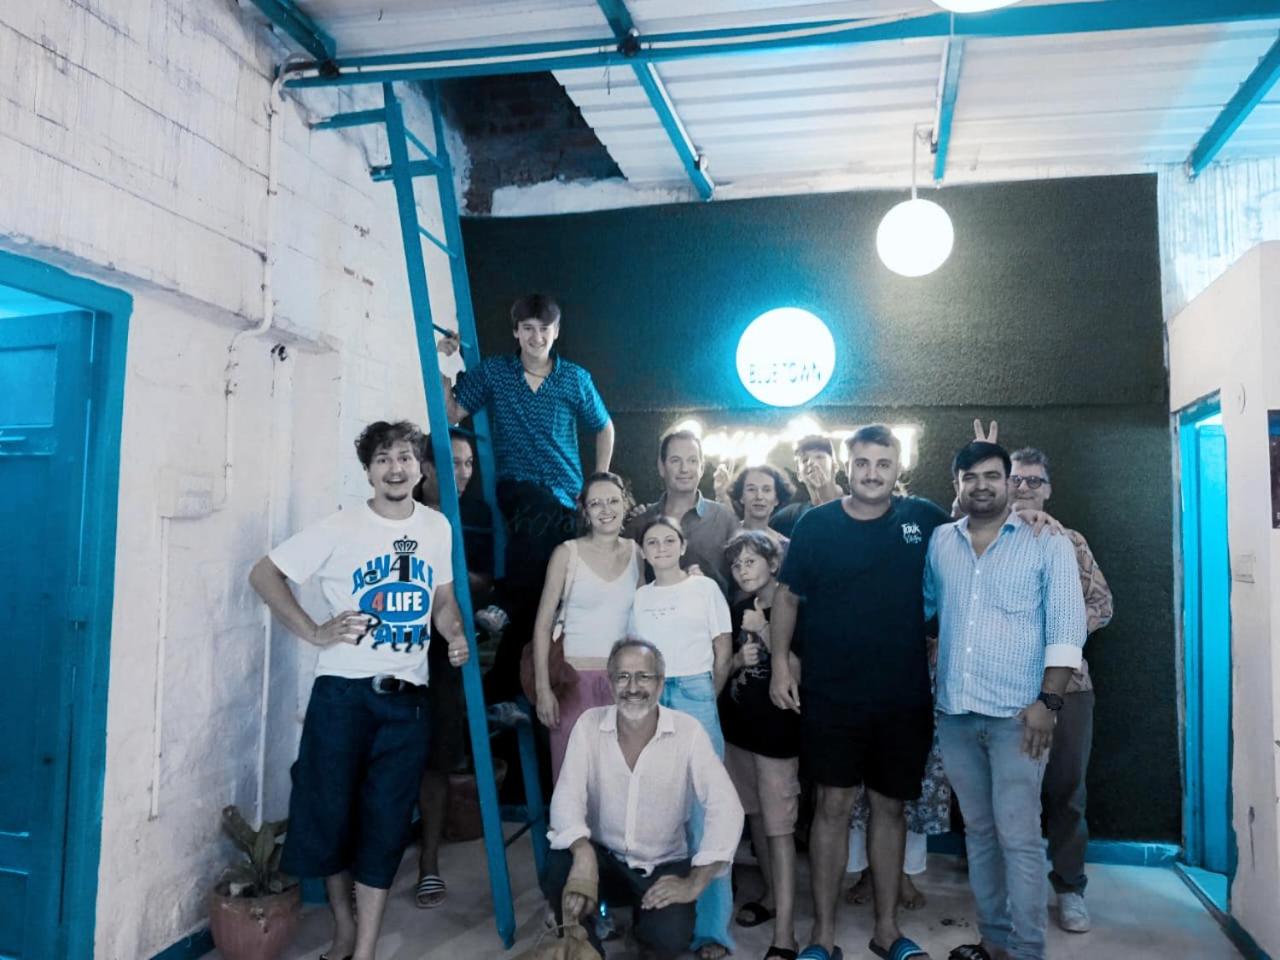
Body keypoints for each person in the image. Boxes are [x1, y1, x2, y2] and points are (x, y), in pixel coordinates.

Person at [247, 420, 470, 960]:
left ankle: (364, 950)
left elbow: (441, 599)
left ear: (420, 468)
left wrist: (456, 632)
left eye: (405, 457)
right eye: (383, 459)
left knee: (386, 823)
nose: (395, 469)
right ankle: (344, 929)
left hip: (407, 701)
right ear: (368, 472)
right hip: (343, 696)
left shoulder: (436, 527)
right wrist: (314, 631)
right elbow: (265, 574)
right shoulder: (341, 526)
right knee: (329, 816)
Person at [769, 424, 949, 960]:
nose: (873, 473)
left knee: (890, 809)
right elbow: (787, 596)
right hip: (831, 695)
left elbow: (976, 532)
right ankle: (822, 936)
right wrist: (779, 664)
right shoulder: (817, 524)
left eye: (883, 464)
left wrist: (1027, 512)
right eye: (863, 463)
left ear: (899, 468)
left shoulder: (923, 518)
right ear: (848, 467)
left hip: (902, 696)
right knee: (831, 806)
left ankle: (886, 932)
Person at [924, 440, 1087, 960]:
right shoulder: (941, 542)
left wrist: (1048, 704)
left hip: (1019, 717)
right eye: (969, 476)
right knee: (979, 833)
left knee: (1018, 837)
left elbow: (1068, 627)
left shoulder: (1047, 541)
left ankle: (1027, 949)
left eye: (993, 475)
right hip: (955, 713)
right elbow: (924, 608)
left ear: (1009, 481)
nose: (982, 485)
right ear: (957, 485)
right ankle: (993, 941)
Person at [439, 293, 615, 704]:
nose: (537, 337)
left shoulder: (574, 378)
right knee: (538, 519)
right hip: (519, 487)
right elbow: (452, 413)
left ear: (556, 332)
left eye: (544, 329)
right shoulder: (496, 372)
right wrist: (443, 361)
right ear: (516, 332)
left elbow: (604, 427)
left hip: (567, 492)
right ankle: (505, 602)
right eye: (528, 329)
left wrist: (599, 479)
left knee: (543, 590)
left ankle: (501, 685)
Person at [542, 638, 745, 960]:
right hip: (604, 860)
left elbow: (726, 807)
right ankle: (587, 948)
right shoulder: (588, 725)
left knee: (669, 938)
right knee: (558, 868)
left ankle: (644, 932)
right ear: (610, 683)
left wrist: (695, 881)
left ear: (660, 683)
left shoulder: (688, 731)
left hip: (661, 865)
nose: (633, 687)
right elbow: (567, 796)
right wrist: (583, 852)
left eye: (644, 676)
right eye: (623, 676)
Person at [1008, 447, 1113, 934]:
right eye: (1016, 479)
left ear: (1048, 489)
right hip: (1006, 688)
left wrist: (1060, 633)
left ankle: (1069, 888)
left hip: (1069, 689)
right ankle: (1016, 890)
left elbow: (1103, 604)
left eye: (1034, 480)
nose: (1024, 487)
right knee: (1011, 793)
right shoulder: (988, 540)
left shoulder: (1069, 541)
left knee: (1067, 792)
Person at [629, 516, 734, 960]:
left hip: (695, 690)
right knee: (660, 812)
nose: (661, 548)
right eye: (652, 542)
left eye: (668, 540)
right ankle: (663, 921)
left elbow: (723, 649)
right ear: (644, 551)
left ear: (682, 544)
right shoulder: (639, 599)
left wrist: (706, 697)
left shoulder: (704, 589)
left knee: (707, 813)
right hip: (653, 696)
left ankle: (712, 932)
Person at [411, 430, 495, 909]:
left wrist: (454, 583)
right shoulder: (401, 508)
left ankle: (429, 863)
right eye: (453, 463)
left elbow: (487, 581)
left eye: (468, 463)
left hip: (449, 648)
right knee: (386, 756)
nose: (463, 473)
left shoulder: (478, 514)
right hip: (396, 648)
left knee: (439, 756)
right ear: (427, 467)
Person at [719, 531, 802, 960]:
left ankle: (785, 934)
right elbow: (723, 673)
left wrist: (765, 631)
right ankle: (770, 897)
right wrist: (737, 661)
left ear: (773, 563)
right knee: (755, 819)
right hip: (738, 735)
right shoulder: (736, 610)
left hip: (776, 738)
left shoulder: (793, 606)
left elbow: (800, 674)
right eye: (736, 564)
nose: (742, 570)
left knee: (780, 829)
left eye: (751, 561)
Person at [533, 471, 645, 781]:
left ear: (625, 504)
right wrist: (543, 690)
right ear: (584, 510)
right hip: (574, 684)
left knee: (621, 782)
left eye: (613, 501)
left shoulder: (638, 553)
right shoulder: (566, 554)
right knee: (574, 781)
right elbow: (542, 626)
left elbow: (647, 618)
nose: (606, 510)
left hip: (624, 683)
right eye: (596, 503)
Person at [626, 429, 739, 594]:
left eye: (692, 460)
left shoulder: (725, 520)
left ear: (701, 467)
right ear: (661, 467)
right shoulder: (641, 523)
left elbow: (743, 585)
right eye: (675, 460)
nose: (684, 469)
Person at [769, 435, 844, 539]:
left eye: (819, 457)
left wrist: (824, 495)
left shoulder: (857, 506)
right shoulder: (791, 516)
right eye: (805, 460)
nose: (811, 462)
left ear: (835, 466)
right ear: (799, 475)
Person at [718, 463, 795, 547]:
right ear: (741, 496)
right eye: (751, 489)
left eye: (766, 490)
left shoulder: (785, 546)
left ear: (777, 499)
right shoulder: (724, 538)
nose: (759, 496)